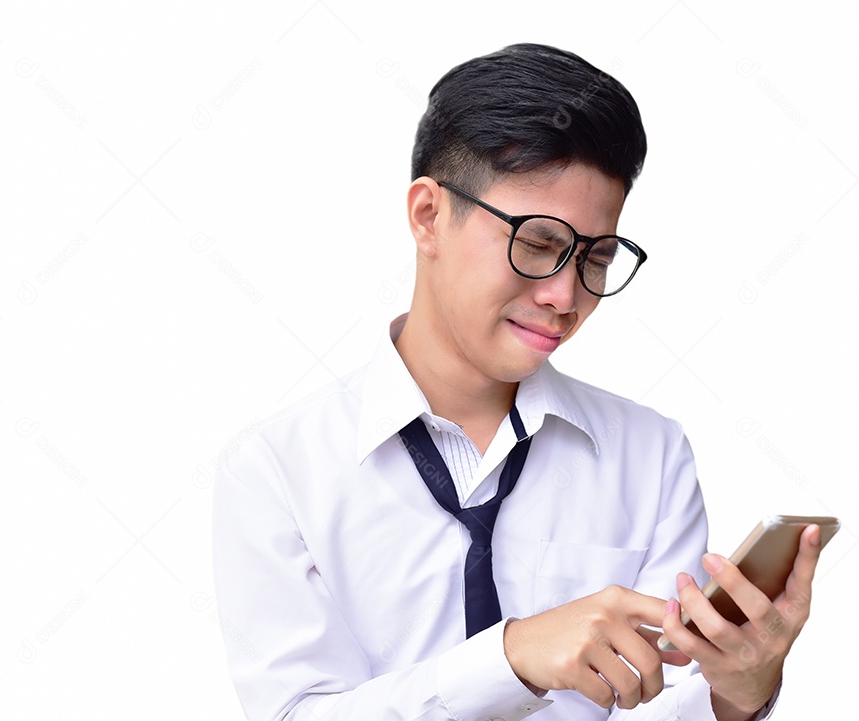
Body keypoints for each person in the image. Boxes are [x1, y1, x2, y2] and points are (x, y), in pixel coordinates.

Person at [212, 43, 824, 720]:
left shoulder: (650, 454)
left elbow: (664, 700)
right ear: (427, 215)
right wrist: (508, 659)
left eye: (596, 258)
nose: (565, 295)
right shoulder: (275, 468)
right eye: (536, 243)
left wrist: (738, 692)